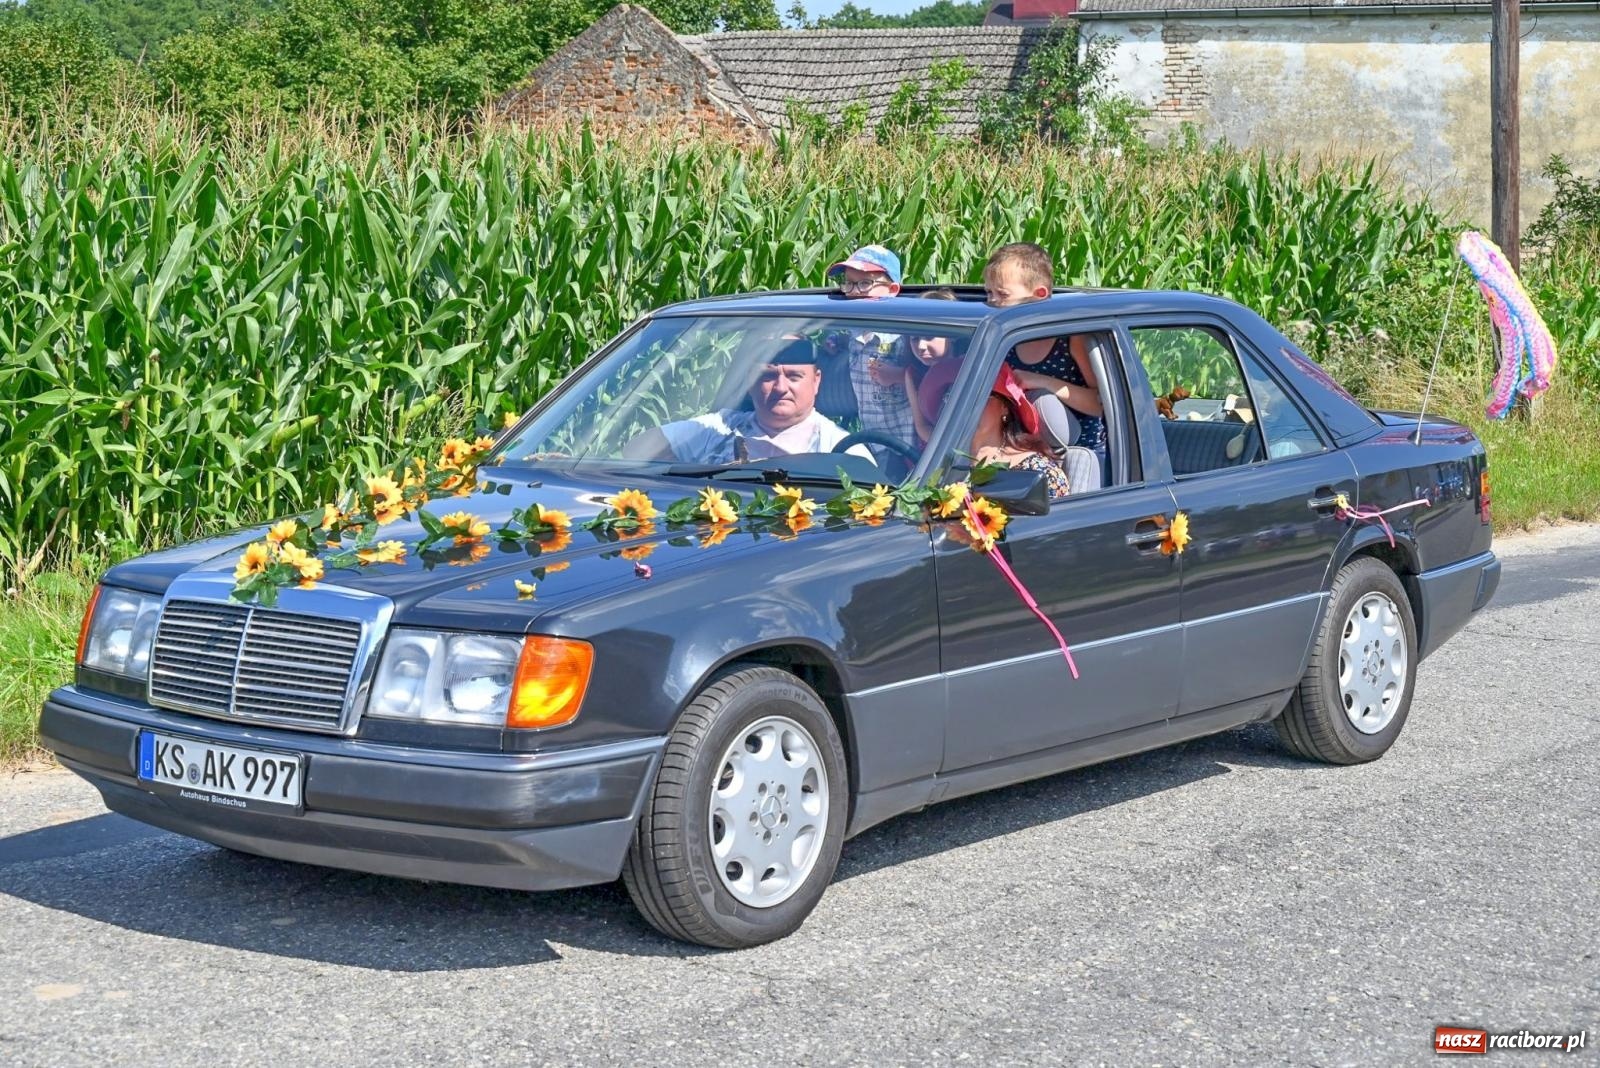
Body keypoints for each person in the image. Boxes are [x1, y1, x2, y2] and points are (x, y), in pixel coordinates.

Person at [623, 337, 872, 464]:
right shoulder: (720, 428)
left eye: (794, 376)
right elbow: (638, 449)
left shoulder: (839, 450)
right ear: (750, 383)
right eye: (768, 376)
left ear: (816, 381)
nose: (781, 387)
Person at [982, 242, 1107, 462]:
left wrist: (1042, 381)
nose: (992, 302)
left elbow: (1100, 404)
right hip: (1022, 453)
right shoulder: (1002, 340)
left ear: (1039, 295)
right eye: (989, 293)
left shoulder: (1071, 340)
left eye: (1002, 294)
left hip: (1080, 455)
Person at [823, 244, 917, 458]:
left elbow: (930, 378)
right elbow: (851, 341)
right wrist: (834, 341)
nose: (854, 292)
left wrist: (900, 375)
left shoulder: (904, 337)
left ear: (892, 290)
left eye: (865, 283)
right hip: (868, 443)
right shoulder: (854, 333)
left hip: (906, 447)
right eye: (848, 283)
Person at [972, 365, 1071, 499]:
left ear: (1004, 407)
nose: (967, 408)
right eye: (951, 398)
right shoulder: (938, 460)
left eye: (980, 397)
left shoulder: (1038, 471)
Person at [904, 288, 962, 444]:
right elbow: (922, 426)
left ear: (953, 335)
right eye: (914, 339)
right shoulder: (913, 374)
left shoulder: (969, 368)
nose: (921, 346)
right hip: (933, 450)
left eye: (929, 337)